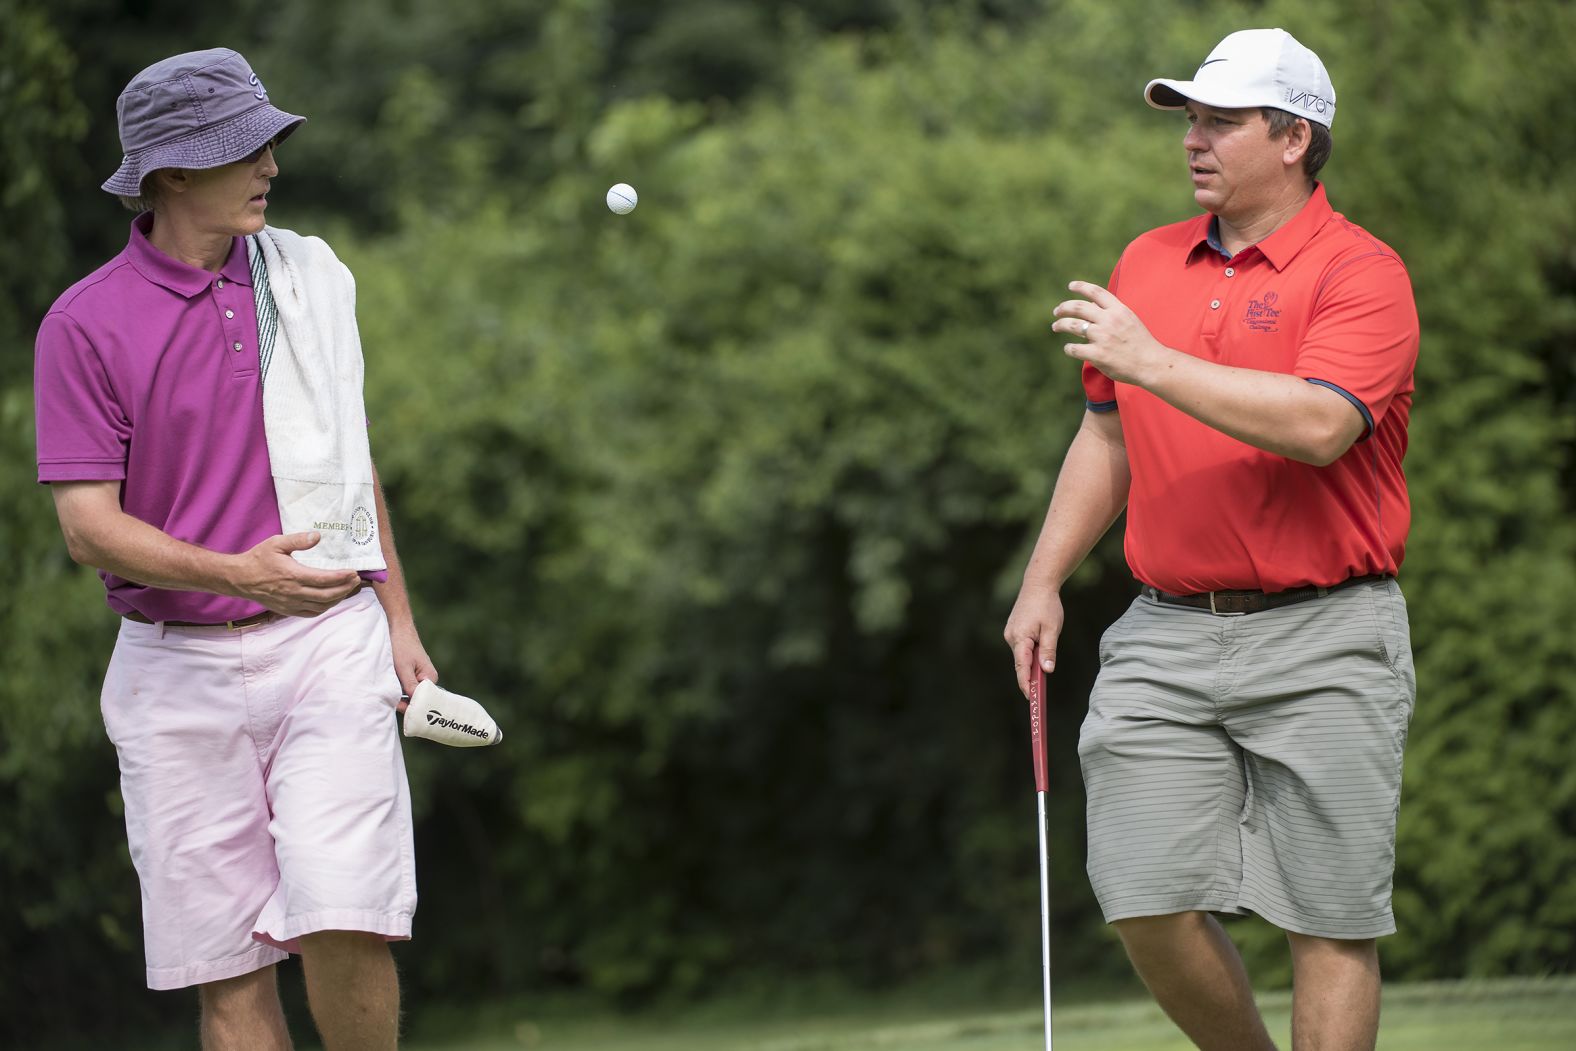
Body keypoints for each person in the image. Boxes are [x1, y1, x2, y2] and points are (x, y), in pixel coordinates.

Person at [1004, 28, 1418, 1051]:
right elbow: (1107, 433)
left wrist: (1153, 360)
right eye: (1189, 118)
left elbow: (1321, 426)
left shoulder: (1361, 272)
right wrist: (1043, 578)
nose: (1193, 139)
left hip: (1327, 631)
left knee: (1325, 917)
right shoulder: (1146, 261)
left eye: (1219, 121)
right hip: (1167, 632)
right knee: (1139, 889)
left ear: (1292, 138)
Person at [34, 48, 433, 1050]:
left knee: (345, 913)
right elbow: (88, 528)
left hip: (328, 644)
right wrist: (238, 573)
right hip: (174, 673)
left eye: (268, 145)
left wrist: (397, 620)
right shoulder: (84, 324)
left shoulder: (305, 278)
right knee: (228, 967)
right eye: (243, 150)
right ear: (172, 173)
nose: (270, 167)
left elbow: (349, 459)